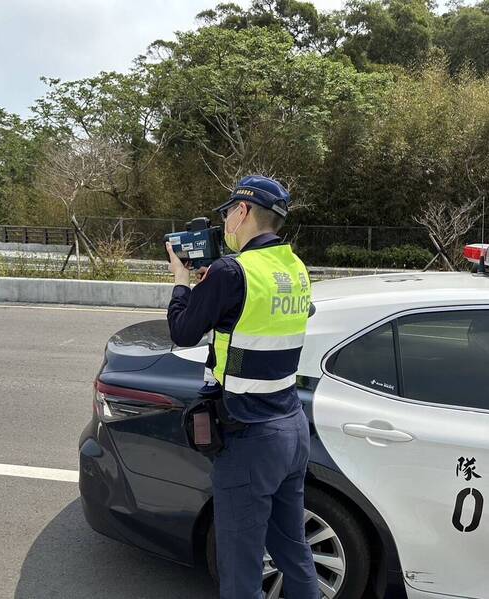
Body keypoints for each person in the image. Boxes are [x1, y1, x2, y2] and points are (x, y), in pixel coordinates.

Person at [165, 175, 318, 599]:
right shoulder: (295, 267)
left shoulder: (232, 271)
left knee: (240, 569)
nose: (226, 222)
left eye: (228, 212)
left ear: (243, 211)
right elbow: (260, 314)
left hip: (249, 435)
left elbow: (182, 330)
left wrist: (182, 279)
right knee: (293, 550)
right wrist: (211, 284)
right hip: (291, 425)